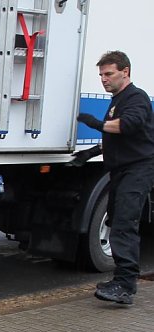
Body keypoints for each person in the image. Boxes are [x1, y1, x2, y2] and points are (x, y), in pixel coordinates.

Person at [74, 50, 154, 305]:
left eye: (108, 74)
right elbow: (119, 138)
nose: (103, 79)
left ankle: (125, 287)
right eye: (101, 75)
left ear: (125, 72)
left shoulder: (137, 98)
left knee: (124, 225)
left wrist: (95, 123)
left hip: (137, 170)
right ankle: (120, 280)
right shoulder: (118, 99)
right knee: (116, 220)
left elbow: (127, 125)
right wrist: (90, 152)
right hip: (120, 171)